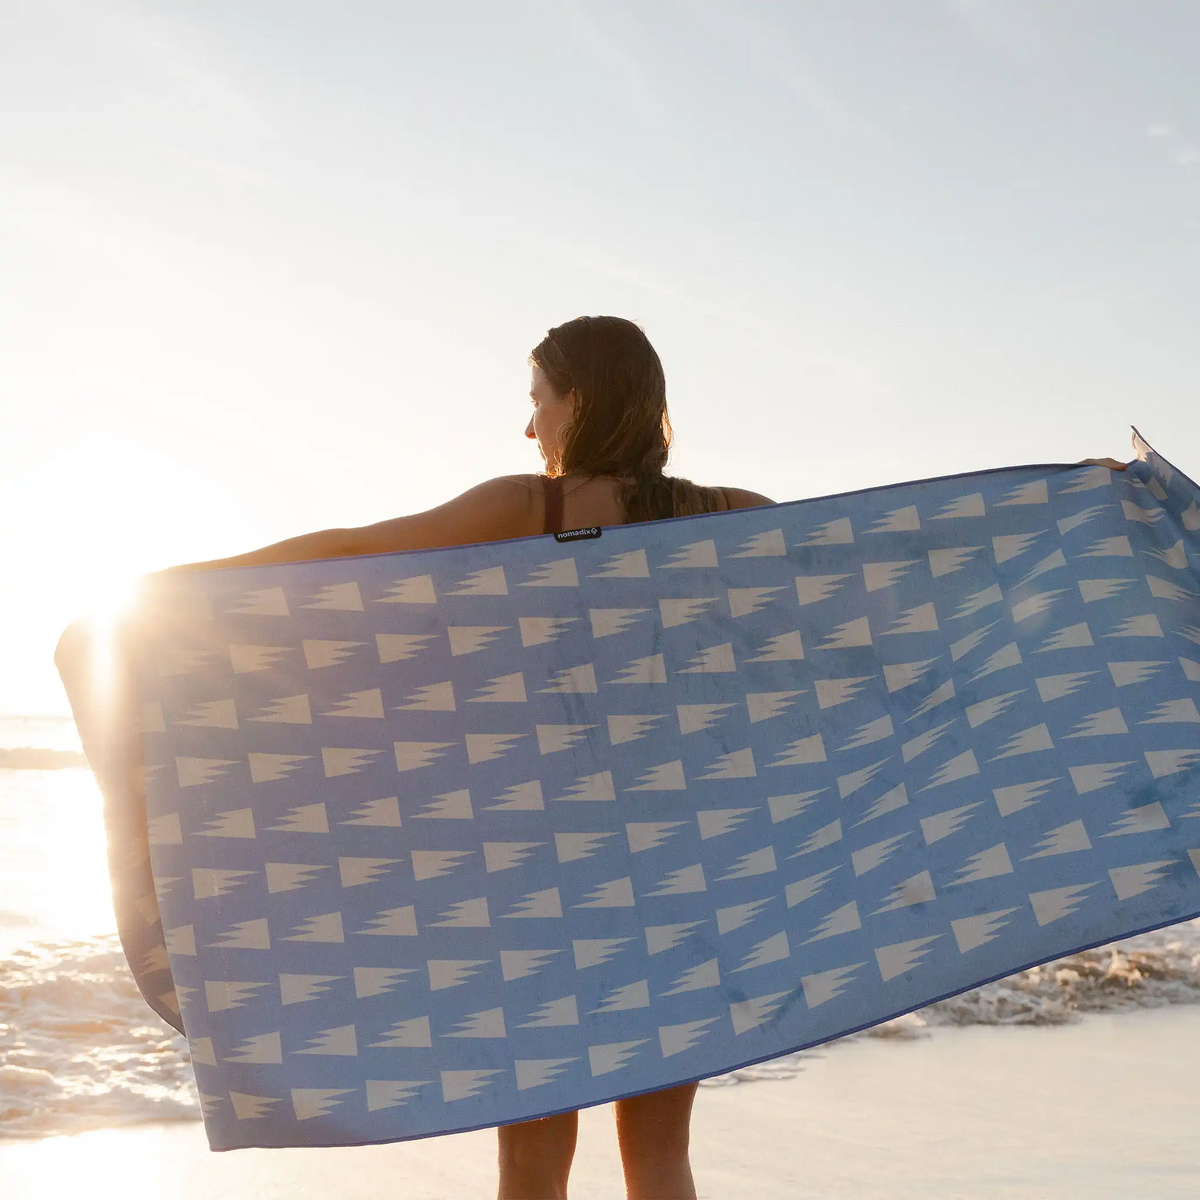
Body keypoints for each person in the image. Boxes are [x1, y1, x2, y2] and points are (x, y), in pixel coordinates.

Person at [177, 315, 775, 1200]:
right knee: (660, 1158)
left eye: (538, 401)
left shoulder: (529, 511)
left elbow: (352, 556)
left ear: (582, 399)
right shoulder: (728, 518)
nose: (530, 429)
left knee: (532, 1163)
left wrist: (186, 589)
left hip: (545, 881)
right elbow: (867, 589)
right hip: (675, 878)